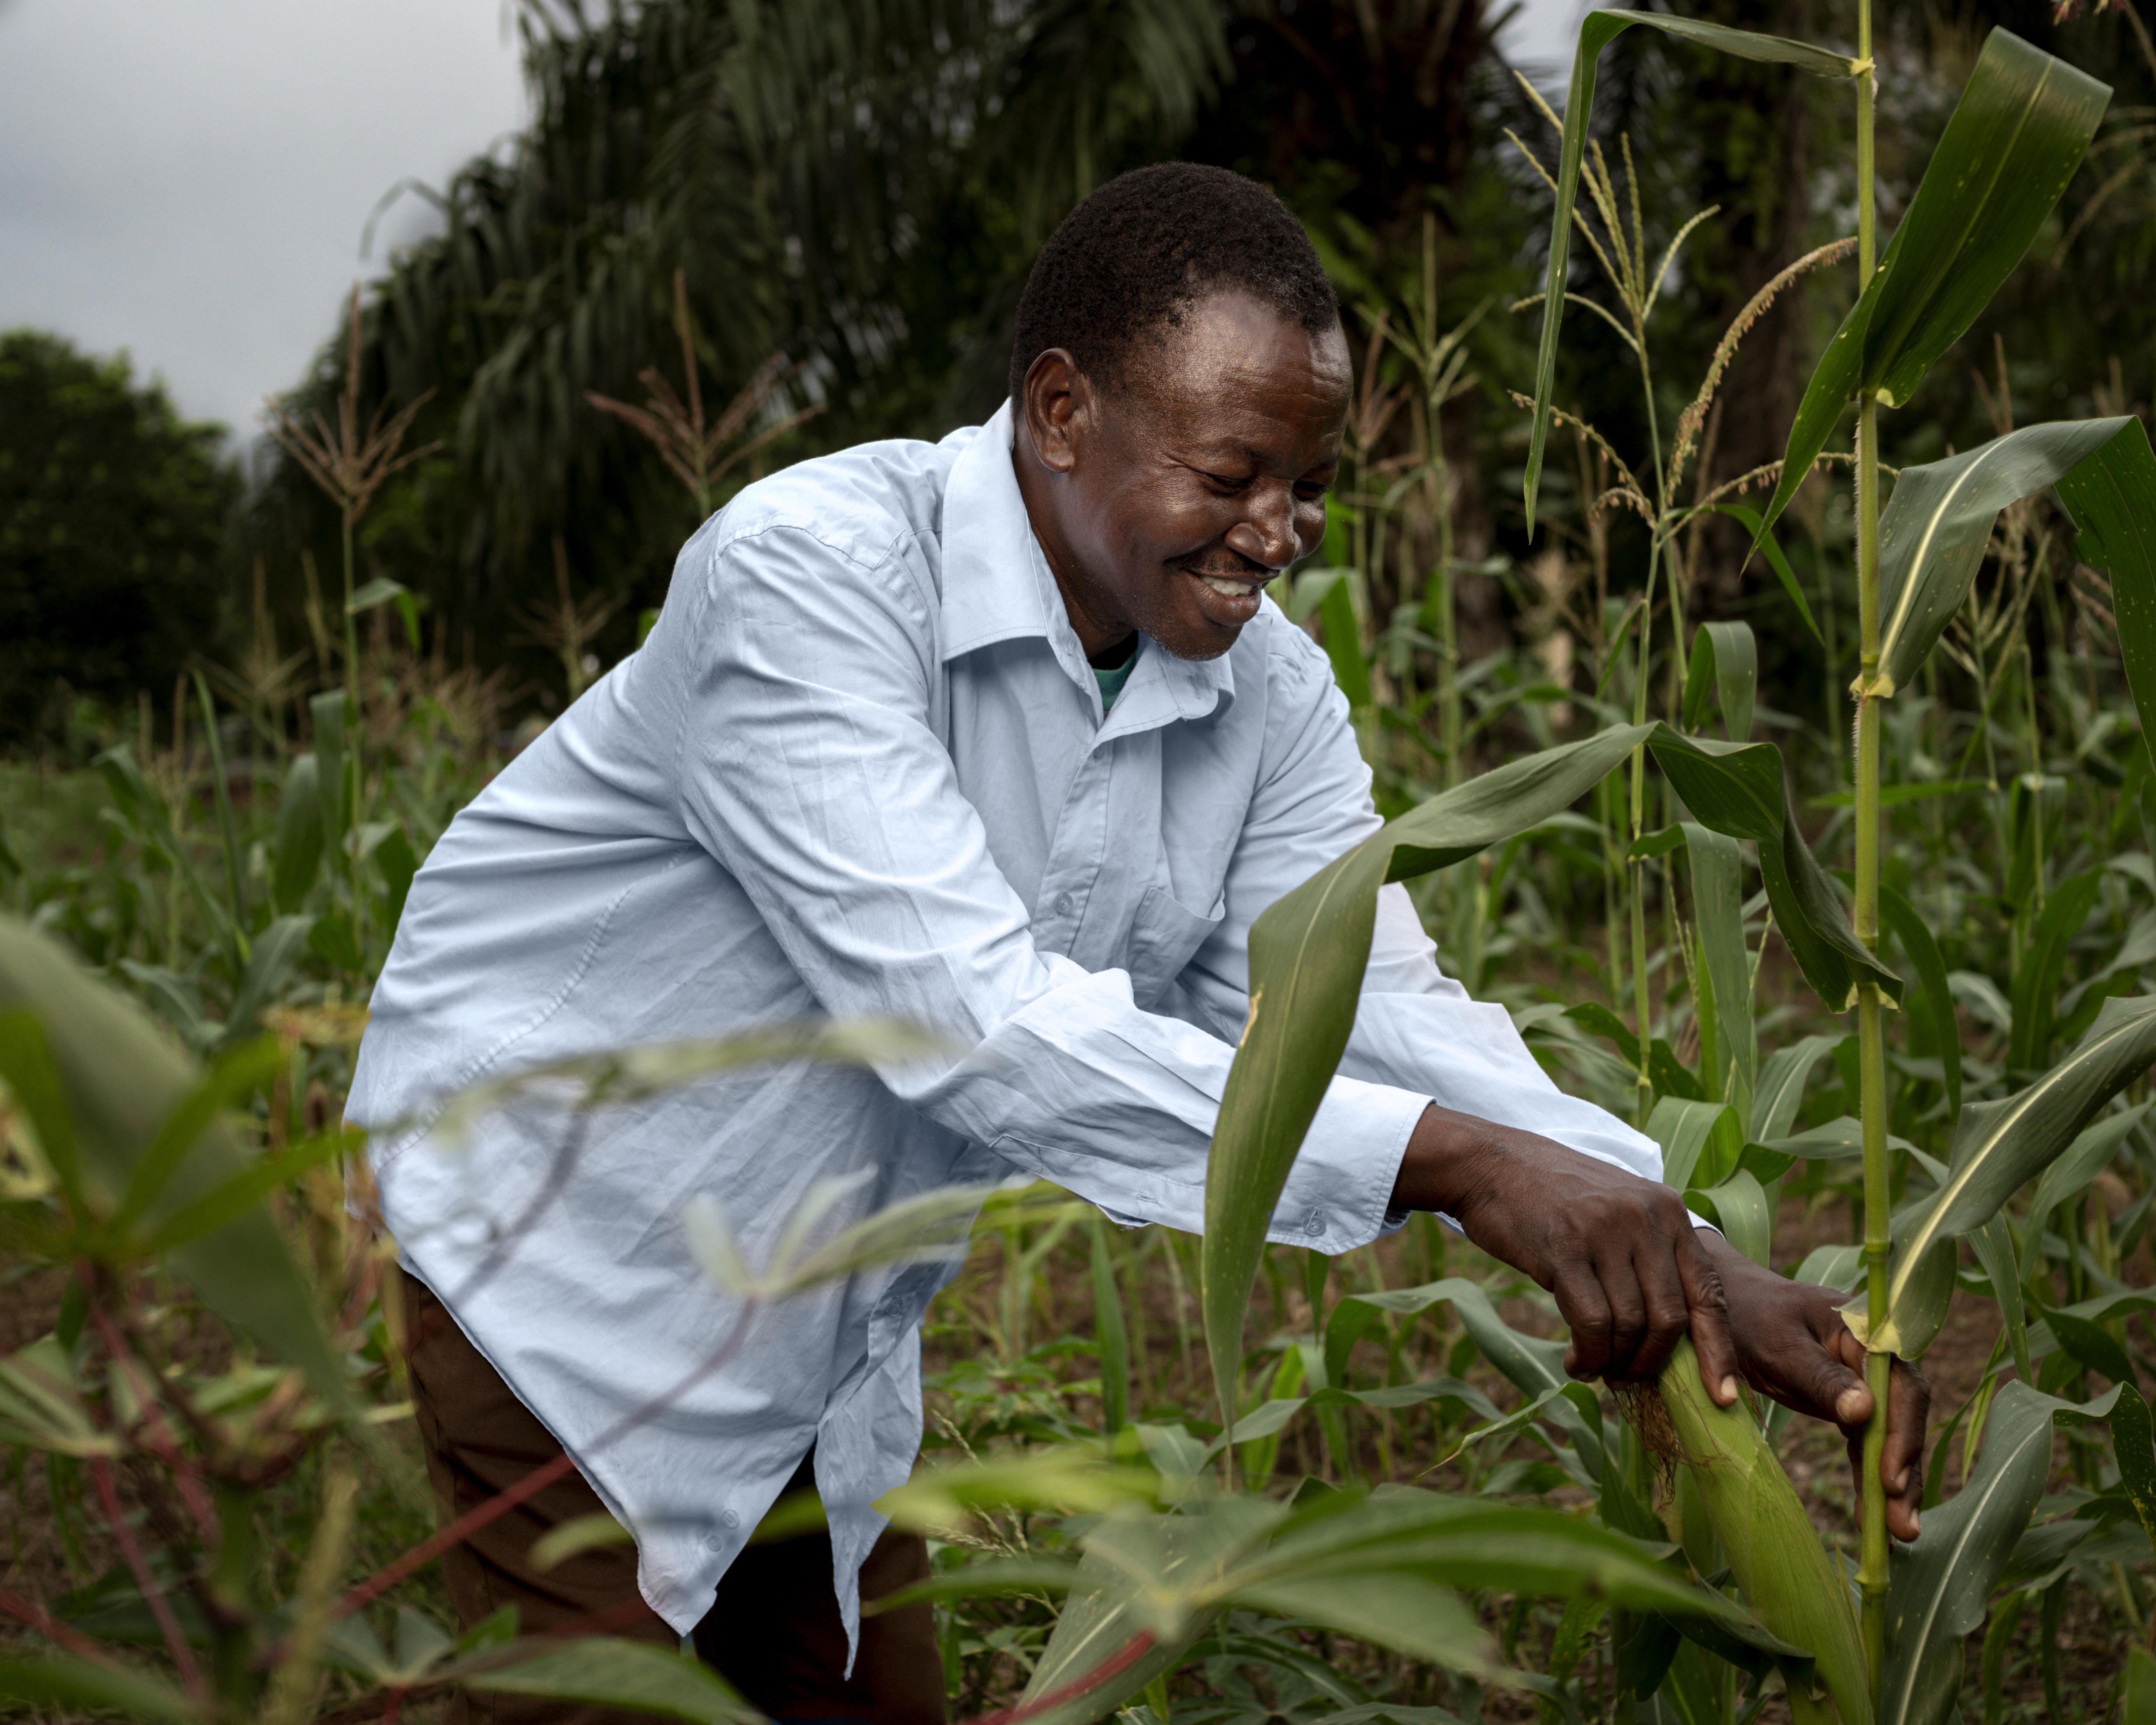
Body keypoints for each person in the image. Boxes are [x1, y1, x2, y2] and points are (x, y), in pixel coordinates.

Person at [348, 161, 1928, 1725]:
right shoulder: (808, 577)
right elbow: (972, 1032)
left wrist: (1691, 1250)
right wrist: (1464, 1169)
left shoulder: (1273, 696)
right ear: (1059, 412)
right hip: (568, 1252)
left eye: (1309, 489)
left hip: (823, 1329)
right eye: (1232, 472)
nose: (1277, 534)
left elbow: (1373, 1007)